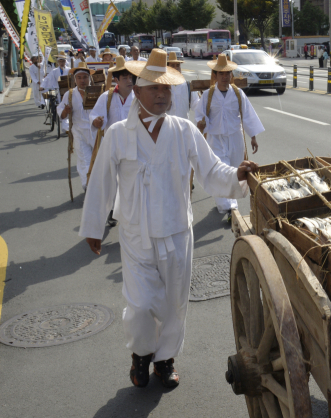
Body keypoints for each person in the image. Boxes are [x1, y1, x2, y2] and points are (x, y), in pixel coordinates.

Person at [79, 49, 257, 389]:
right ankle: (141, 354)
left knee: (175, 302)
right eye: (154, 89)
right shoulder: (118, 134)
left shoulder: (184, 130)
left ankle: (165, 360)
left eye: (167, 89)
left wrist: (238, 174)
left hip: (177, 230)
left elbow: (210, 169)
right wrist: (93, 226)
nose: (162, 95)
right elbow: (101, 182)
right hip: (135, 234)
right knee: (142, 304)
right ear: (138, 91)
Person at [195, 55, 264, 221]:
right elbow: (199, 114)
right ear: (216, 75)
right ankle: (229, 208)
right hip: (215, 138)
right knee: (220, 170)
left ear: (231, 75)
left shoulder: (238, 94)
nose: (225, 77)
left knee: (234, 169)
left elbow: (247, 115)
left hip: (235, 138)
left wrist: (253, 137)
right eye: (221, 74)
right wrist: (201, 124)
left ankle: (228, 202)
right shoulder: (207, 95)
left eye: (227, 74)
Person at [89, 56, 134, 227]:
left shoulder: (138, 97)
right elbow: (94, 115)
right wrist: (96, 122)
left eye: (131, 77)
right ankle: (111, 210)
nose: (129, 81)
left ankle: (128, 211)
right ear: (116, 79)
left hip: (134, 144)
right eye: (125, 78)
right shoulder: (106, 97)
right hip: (113, 145)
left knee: (130, 179)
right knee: (112, 180)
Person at [57, 62, 95, 191]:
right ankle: (88, 187)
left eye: (85, 77)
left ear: (89, 78)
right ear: (75, 80)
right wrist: (66, 111)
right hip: (79, 131)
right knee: (84, 160)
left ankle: (99, 186)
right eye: (79, 77)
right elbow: (61, 111)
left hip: (97, 132)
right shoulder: (70, 94)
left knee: (99, 160)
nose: (82, 80)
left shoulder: (98, 92)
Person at [166, 52, 200, 119]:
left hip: (183, 127)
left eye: (178, 65)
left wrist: (205, 99)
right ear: (167, 68)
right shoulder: (163, 86)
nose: (176, 68)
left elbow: (196, 106)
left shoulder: (188, 86)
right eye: (172, 66)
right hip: (167, 127)